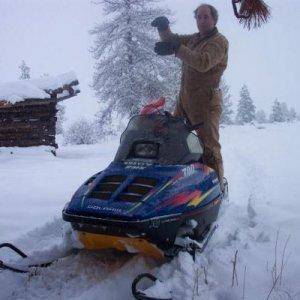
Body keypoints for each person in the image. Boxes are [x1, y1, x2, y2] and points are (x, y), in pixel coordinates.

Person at [151, 4, 229, 191]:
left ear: (214, 19)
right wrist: (163, 28)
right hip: (185, 99)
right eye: (199, 17)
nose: (201, 21)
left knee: (209, 148)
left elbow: (203, 62)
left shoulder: (218, 42)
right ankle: (174, 186)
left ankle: (216, 192)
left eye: (205, 17)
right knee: (172, 137)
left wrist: (177, 48)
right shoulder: (195, 38)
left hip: (205, 102)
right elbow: (174, 40)